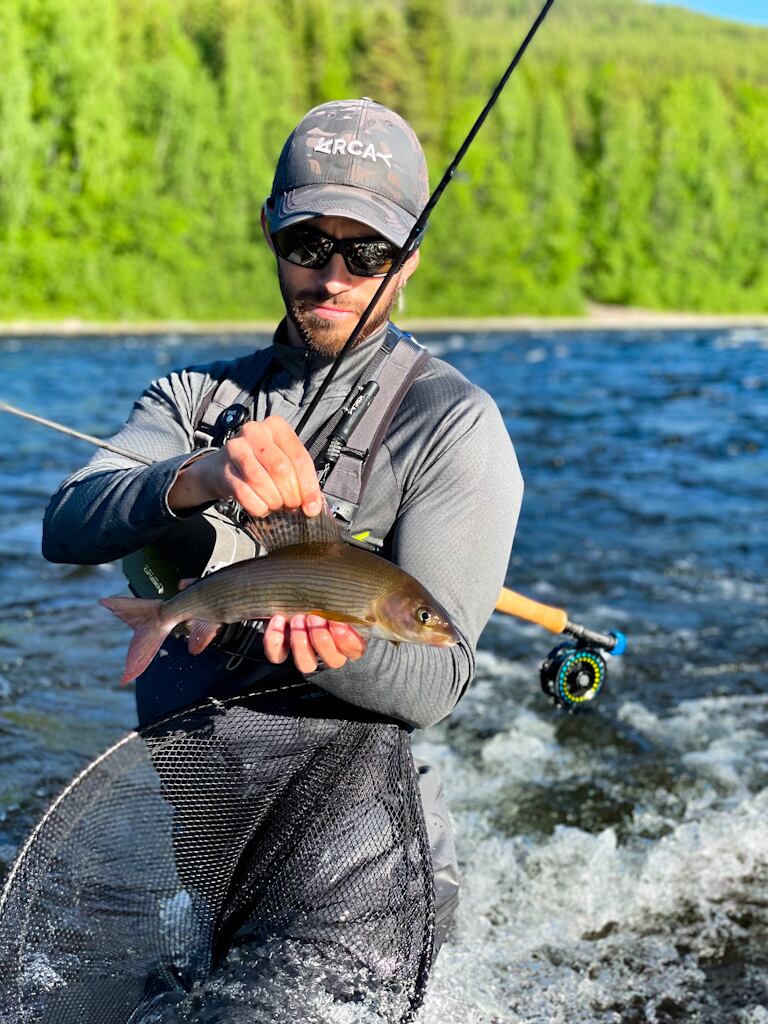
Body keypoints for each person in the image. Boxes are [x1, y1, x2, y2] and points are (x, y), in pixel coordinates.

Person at [42, 98, 523, 1003]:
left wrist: (338, 651)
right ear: (271, 236)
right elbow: (65, 524)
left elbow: (439, 678)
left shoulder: (456, 426)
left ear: (408, 259)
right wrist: (196, 475)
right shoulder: (192, 397)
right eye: (309, 244)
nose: (333, 276)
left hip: (361, 858)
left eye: (367, 253)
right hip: (205, 831)